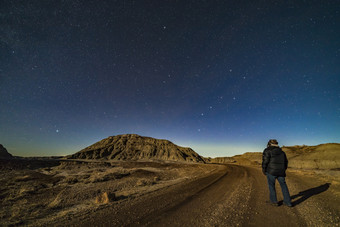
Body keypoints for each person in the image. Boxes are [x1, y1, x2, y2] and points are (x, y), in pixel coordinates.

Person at [262, 139, 292, 207]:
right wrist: (283, 169)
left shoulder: (267, 150)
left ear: (269, 144)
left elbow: (265, 161)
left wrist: (264, 169)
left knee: (271, 186)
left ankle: (274, 201)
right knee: (283, 186)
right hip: (281, 172)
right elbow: (286, 162)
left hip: (271, 172)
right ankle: (288, 202)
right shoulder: (282, 152)